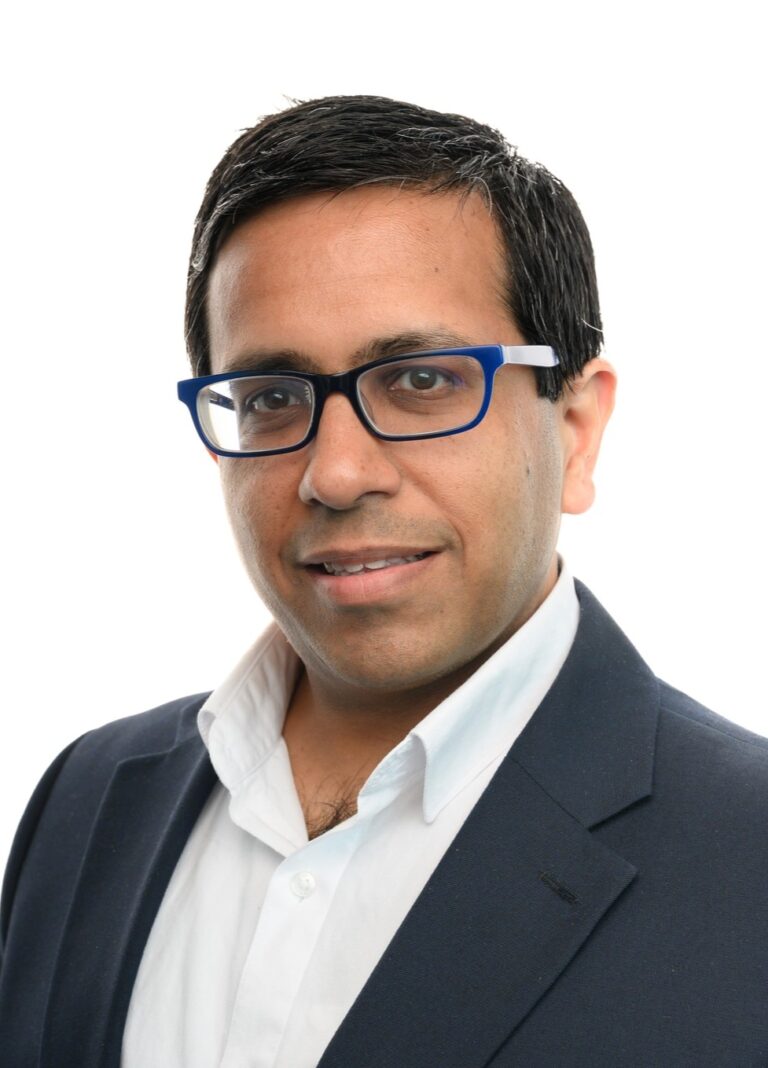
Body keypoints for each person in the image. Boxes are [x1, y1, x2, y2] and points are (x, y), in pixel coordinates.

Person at [1, 95, 766, 1068]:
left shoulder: (750, 862)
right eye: (274, 398)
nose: (337, 472)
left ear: (574, 430)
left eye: (421, 381)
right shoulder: (88, 800)